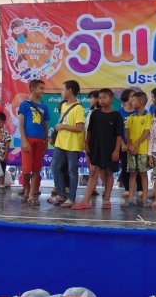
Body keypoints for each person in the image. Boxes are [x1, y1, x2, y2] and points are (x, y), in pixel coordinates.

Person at [73, 88, 123, 210]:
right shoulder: (95, 114)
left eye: (104, 97)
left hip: (110, 149)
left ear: (111, 99)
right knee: (93, 173)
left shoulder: (116, 115)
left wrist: (117, 150)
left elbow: (119, 135)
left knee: (109, 173)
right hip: (96, 148)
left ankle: (107, 199)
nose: (101, 100)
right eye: (99, 98)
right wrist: (86, 143)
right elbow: (89, 130)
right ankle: (85, 201)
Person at [51, 80, 85, 208]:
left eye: (62, 89)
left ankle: (71, 198)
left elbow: (79, 128)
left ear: (69, 90)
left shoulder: (78, 108)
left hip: (72, 144)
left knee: (72, 171)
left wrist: (63, 126)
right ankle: (61, 194)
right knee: (55, 167)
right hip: (60, 142)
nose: (61, 92)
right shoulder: (64, 105)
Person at [18, 79, 49, 204]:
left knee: (36, 169)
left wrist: (46, 142)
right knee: (26, 169)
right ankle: (27, 188)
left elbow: (45, 125)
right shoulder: (24, 104)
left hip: (40, 140)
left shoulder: (44, 106)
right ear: (33, 89)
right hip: (28, 140)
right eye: (41, 88)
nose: (43, 91)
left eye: (43, 88)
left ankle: (31, 194)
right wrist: (24, 140)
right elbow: (21, 123)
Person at [124, 92, 152, 208]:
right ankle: (130, 199)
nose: (131, 102)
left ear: (140, 102)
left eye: (134, 100)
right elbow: (127, 132)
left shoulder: (147, 116)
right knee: (132, 174)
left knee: (143, 174)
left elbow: (146, 133)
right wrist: (131, 146)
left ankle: (145, 199)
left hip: (143, 151)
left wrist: (135, 145)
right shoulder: (131, 117)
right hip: (131, 150)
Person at [118, 89, 143, 199]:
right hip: (124, 146)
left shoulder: (138, 112)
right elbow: (117, 131)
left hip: (137, 145)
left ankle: (140, 189)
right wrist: (123, 144)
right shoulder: (119, 112)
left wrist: (135, 145)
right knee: (125, 167)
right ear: (126, 98)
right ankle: (128, 189)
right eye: (132, 96)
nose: (134, 98)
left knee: (139, 168)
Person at [85, 90, 106, 196]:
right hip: (89, 142)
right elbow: (87, 129)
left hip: (98, 143)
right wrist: (86, 142)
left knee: (100, 167)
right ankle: (93, 188)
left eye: (91, 98)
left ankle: (106, 187)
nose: (90, 100)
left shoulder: (102, 112)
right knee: (91, 166)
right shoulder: (91, 112)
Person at [0, 112, 12, 194]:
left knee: (1, 171)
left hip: (1, 156)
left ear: (4, 122)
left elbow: (7, 144)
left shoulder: (6, 132)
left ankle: (2, 186)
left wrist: (5, 155)